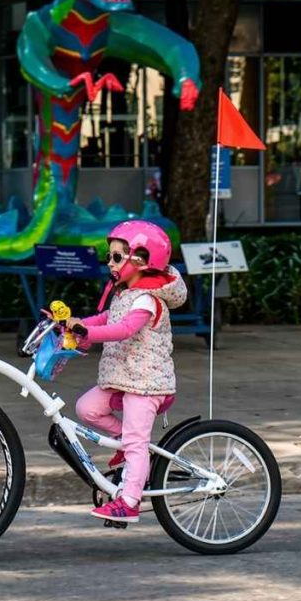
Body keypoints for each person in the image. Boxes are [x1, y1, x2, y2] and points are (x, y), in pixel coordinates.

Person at [66, 220, 186, 524]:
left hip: (146, 384)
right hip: (124, 378)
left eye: (117, 257)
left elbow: (123, 329)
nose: (110, 262)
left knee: (136, 442)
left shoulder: (146, 299)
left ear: (142, 260)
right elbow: (106, 316)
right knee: (87, 408)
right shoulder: (124, 294)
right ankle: (127, 443)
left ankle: (129, 501)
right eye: (110, 256)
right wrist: (78, 323)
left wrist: (89, 334)